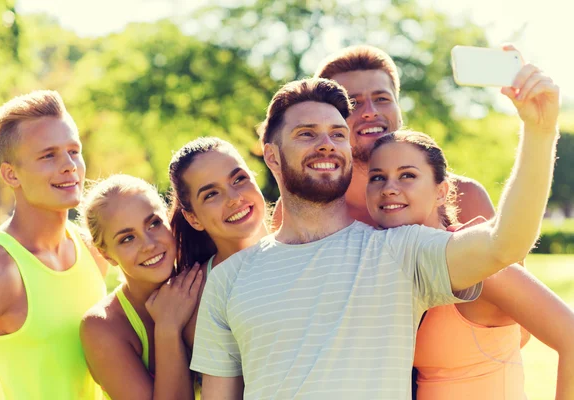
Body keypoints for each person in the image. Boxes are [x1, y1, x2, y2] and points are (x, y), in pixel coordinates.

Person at [190, 68, 560, 399]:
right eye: (306, 134)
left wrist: (539, 132)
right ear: (272, 157)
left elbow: (504, 244)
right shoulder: (228, 280)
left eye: (337, 134)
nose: (326, 144)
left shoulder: (400, 252)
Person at [367, 130, 574, 399]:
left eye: (407, 175)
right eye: (377, 177)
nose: (389, 188)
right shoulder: (391, 266)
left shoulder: (481, 266)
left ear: (441, 192)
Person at [0, 90, 107, 399]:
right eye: (48, 155)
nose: (69, 165)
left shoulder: (92, 251)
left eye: (74, 151)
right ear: (11, 174)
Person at [314, 44, 496, 224]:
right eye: (353, 102)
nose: (371, 111)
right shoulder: (309, 209)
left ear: (399, 110)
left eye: (382, 99)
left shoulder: (465, 197)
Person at [79, 175, 201, 400]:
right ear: (106, 254)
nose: (149, 245)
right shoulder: (103, 327)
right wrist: (167, 328)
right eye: (127, 239)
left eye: (154, 223)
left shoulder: (203, 279)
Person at [168, 136, 269, 351]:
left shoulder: (301, 247)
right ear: (193, 218)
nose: (234, 198)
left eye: (239, 179)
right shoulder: (194, 298)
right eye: (211, 194)